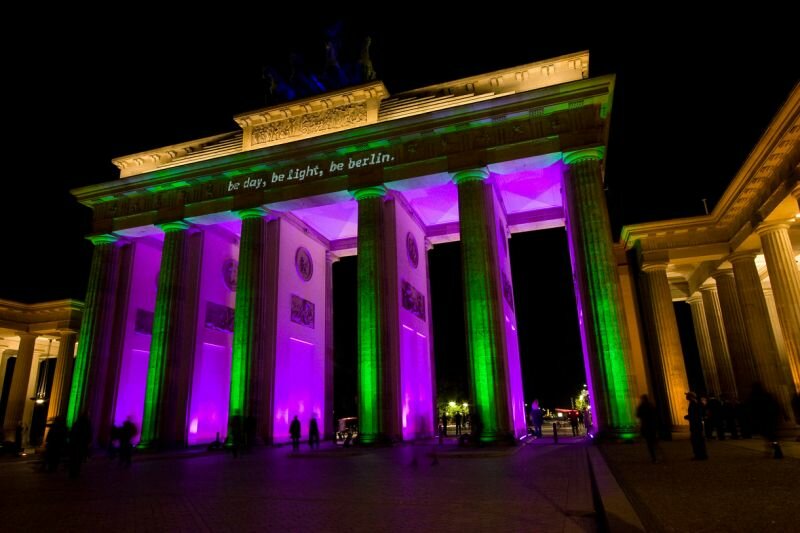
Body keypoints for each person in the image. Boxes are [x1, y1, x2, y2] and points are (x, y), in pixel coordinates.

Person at [684, 392, 708, 460]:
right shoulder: (697, 403)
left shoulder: (693, 403)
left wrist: (688, 417)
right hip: (697, 424)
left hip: (695, 425)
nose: (686, 397)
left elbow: (695, 415)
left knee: (696, 440)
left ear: (690, 396)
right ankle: (702, 455)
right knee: (699, 440)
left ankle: (699, 455)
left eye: (687, 395)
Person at [636, 395, 659, 463]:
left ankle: (654, 458)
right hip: (652, 426)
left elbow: (638, 415)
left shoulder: (641, 407)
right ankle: (656, 457)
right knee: (653, 442)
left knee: (650, 443)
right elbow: (655, 415)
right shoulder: (651, 406)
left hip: (646, 426)